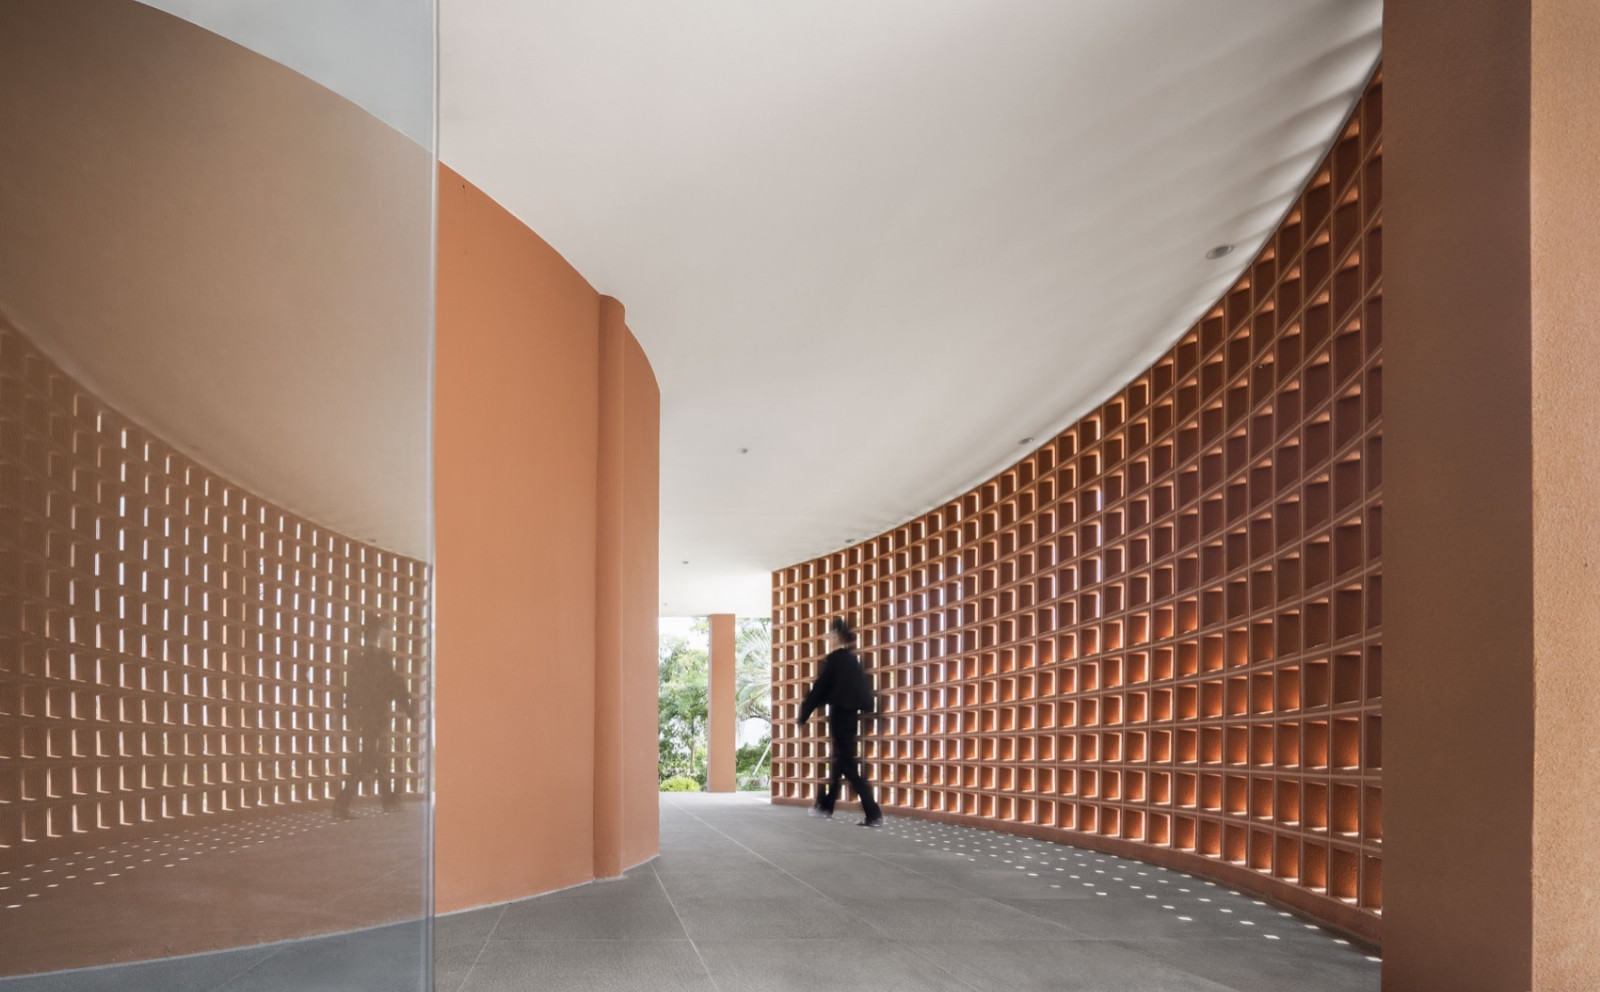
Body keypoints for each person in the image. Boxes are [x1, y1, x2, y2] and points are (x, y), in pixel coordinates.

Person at [797, 617, 883, 827]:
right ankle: (826, 805)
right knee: (840, 762)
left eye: (830, 633)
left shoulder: (835, 660)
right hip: (852, 718)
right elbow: (863, 691)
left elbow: (819, 689)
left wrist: (803, 715)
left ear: (836, 636)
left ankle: (873, 813)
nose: (827, 636)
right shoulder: (852, 661)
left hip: (839, 717)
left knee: (847, 765)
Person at [332, 615, 417, 819]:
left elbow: (353, 686)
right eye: (381, 630)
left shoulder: (362, 656)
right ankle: (345, 804)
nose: (384, 633)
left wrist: (350, 710)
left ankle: (387, 798)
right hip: (374, 713)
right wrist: (408, 708)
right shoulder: (378, 657)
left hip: (367, 714)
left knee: (372, 756)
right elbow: (394, 683)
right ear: (375, 632)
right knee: (369, 758)